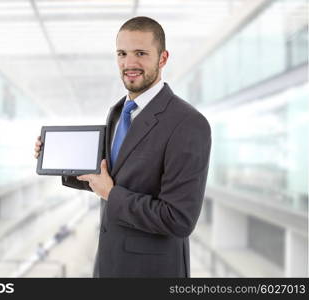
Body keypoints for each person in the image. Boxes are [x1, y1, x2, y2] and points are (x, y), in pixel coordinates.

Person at [34, 16, 211, 277]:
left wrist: (112, 194)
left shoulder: (188, 123)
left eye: (141, 53)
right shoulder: (118, 112)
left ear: (163, 58)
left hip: (152, 272)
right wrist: (54, 156)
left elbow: (178, 219)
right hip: (108, 265)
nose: (129, 63)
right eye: (122, 53)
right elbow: (109, 175)